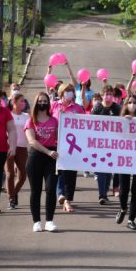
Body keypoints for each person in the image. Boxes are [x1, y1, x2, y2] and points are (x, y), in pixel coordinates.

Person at [24, 92, 59, 232]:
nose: (42, 103)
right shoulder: (31, 121)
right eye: (40, 101)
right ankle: (36, 221)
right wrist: (47, 151)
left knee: (51, 189)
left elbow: (61, 136)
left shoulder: (54, 120)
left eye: (45, 101)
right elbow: (32, 141)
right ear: (36, 103)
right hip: (36, 157)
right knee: (36, 190)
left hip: (52, 158)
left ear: (48, 103)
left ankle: (49, 221)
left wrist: (65, 119)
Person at [52, 82, 86, 212]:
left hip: (73, 146)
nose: (69, 93)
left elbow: (85, 124)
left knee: (71, 172)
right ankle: (61, 194)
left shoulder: (78, 108)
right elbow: (47, 121)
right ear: (61, 92)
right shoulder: (54, 105)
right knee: (60, 170)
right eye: (67, 90)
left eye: (71, 90)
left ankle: (68, 199)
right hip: (56, 143)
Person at [115, 94, 136, 230]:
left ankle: (131, 219)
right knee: (124, 189)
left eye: (135, 102)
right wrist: (124, 123)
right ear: (125, 105)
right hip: (124, 158)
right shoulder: (120, 120)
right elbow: (114, 137)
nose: (132, 105)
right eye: (130, 102)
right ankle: (123, 209)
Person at [91, 85, 122, 204]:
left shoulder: (117, 108)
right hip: (99, 144)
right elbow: (90, 123)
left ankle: (105, 190)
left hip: (114, 144)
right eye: (106, 94)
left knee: (109, 169)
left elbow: (123, 122)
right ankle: (102, 194)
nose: (108, 96)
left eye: (110, 94)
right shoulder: (97, 108)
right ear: (102, 95)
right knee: (101, 169)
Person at [6, 93, 29, 209]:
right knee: (10, 174)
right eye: (21, 101)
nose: (23, 103)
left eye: (24, 101)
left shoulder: (27, 116)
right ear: (14, 102)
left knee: (22, 175)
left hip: (22, 147)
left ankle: (13, 193)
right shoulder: (8, 115)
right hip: (9, 147)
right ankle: (11, 199)